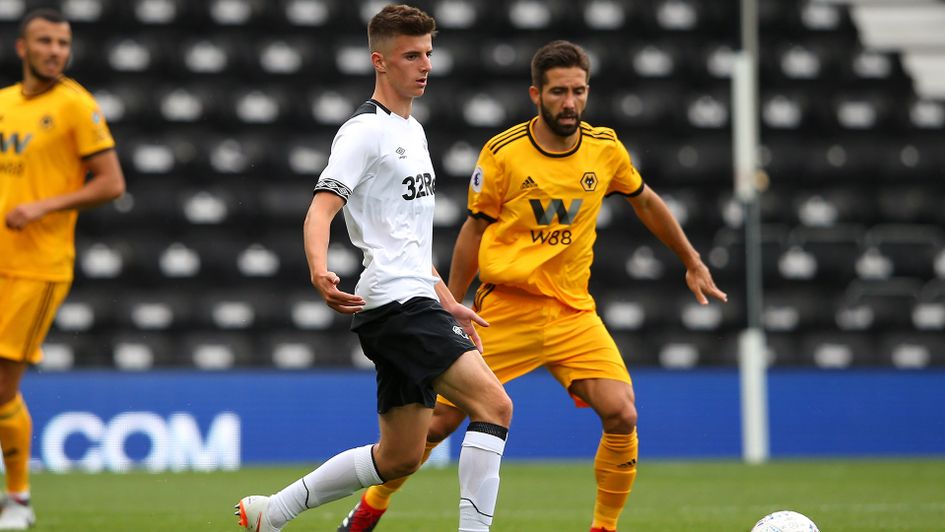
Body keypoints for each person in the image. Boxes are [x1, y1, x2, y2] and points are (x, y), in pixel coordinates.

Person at [339, 40, 728, 532]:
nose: (570, 103)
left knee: (622, 413)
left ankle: (603, 528)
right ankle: (372, 505)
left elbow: (646, 201)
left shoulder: (605, 149)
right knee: (436, 424)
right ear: (536, 94)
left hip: (572, 313)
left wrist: (692, 261)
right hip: (505, 310)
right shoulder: (504, 154)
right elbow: (472, 232)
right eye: (559, 92)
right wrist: (449, 304)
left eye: (579, 92)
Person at [235, 5, 512, 532]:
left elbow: (404, 238)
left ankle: (272, 512)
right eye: (411, 55)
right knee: (495, 406)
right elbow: (320, 209)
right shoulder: (363, 132)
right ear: (379, 61)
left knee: (401, 455)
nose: (424, 64)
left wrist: (448, 299)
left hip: (413, 301)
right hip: (396, 304)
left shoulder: (414, 131)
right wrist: (319, 269)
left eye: (428, 53)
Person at [0, 8, 125, 531]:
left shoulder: (76, 105)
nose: (55, 50)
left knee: (2, 386)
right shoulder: (4, 104)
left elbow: (110, 182)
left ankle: (19, 501)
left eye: (63, 42)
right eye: (45, 41)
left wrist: (43, 206)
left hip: (39, 266)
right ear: (22, 48)